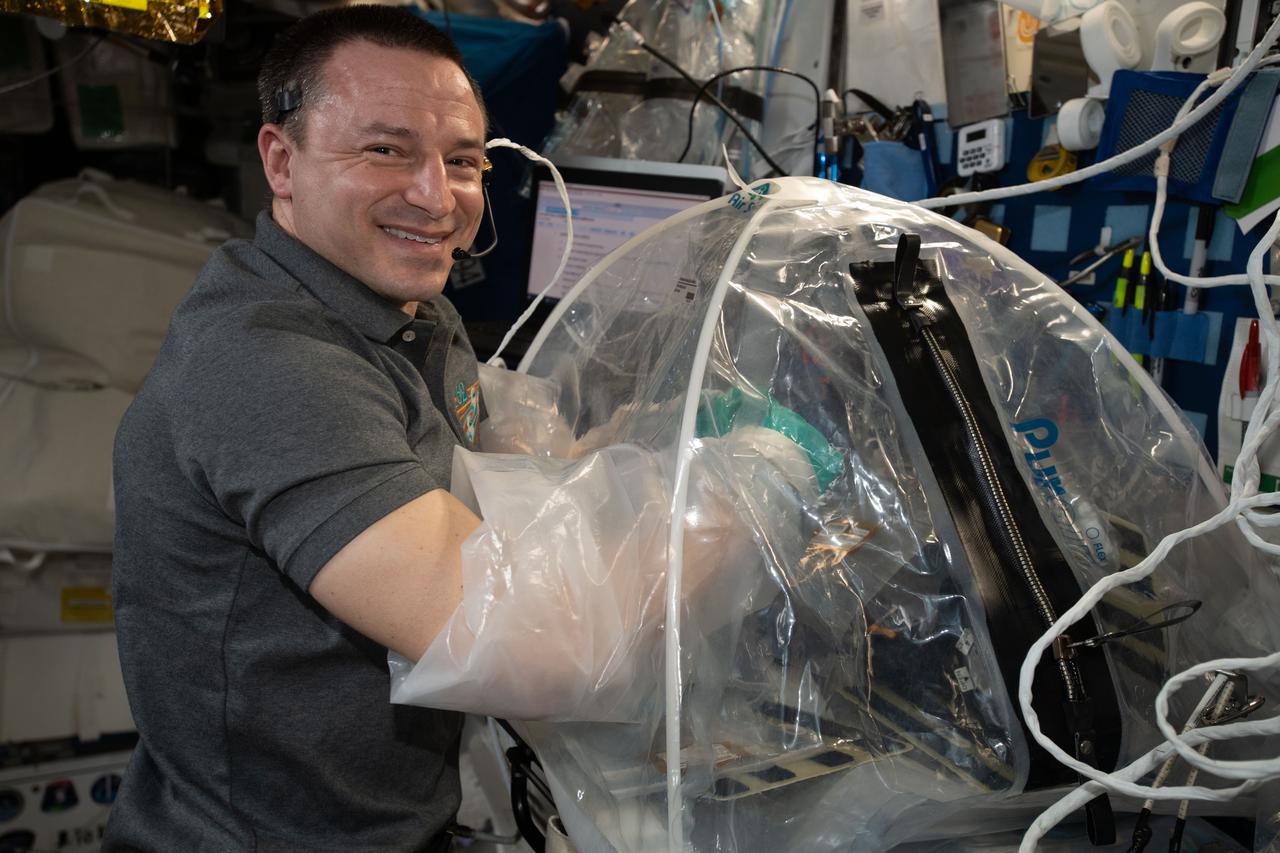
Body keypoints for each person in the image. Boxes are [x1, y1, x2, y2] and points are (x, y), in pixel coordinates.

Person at [106, 6, 493, 850]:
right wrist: (738, 515)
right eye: (386, 151)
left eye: (462, 161)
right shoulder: (268, 360)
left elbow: (506, 468)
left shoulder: (409, 311)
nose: (437, 196)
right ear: (282, 160)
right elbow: (490, 622)